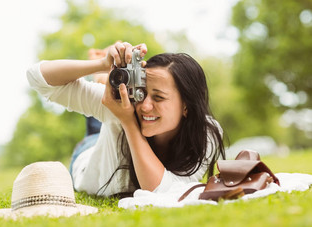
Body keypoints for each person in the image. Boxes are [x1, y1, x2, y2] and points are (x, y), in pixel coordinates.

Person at [26, 41, 225, 197]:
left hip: (117, 127)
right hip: (89, 154)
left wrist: (128, 121)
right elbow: (37, 77)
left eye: (159, 97)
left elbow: (162, 191)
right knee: (108, 108)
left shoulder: (206, 133)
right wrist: (102, 64)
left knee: (108, 112)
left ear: (186, 106)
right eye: (140, 92)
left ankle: (104, 82)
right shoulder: (125, 106)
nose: (145, 104)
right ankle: (104, 78)